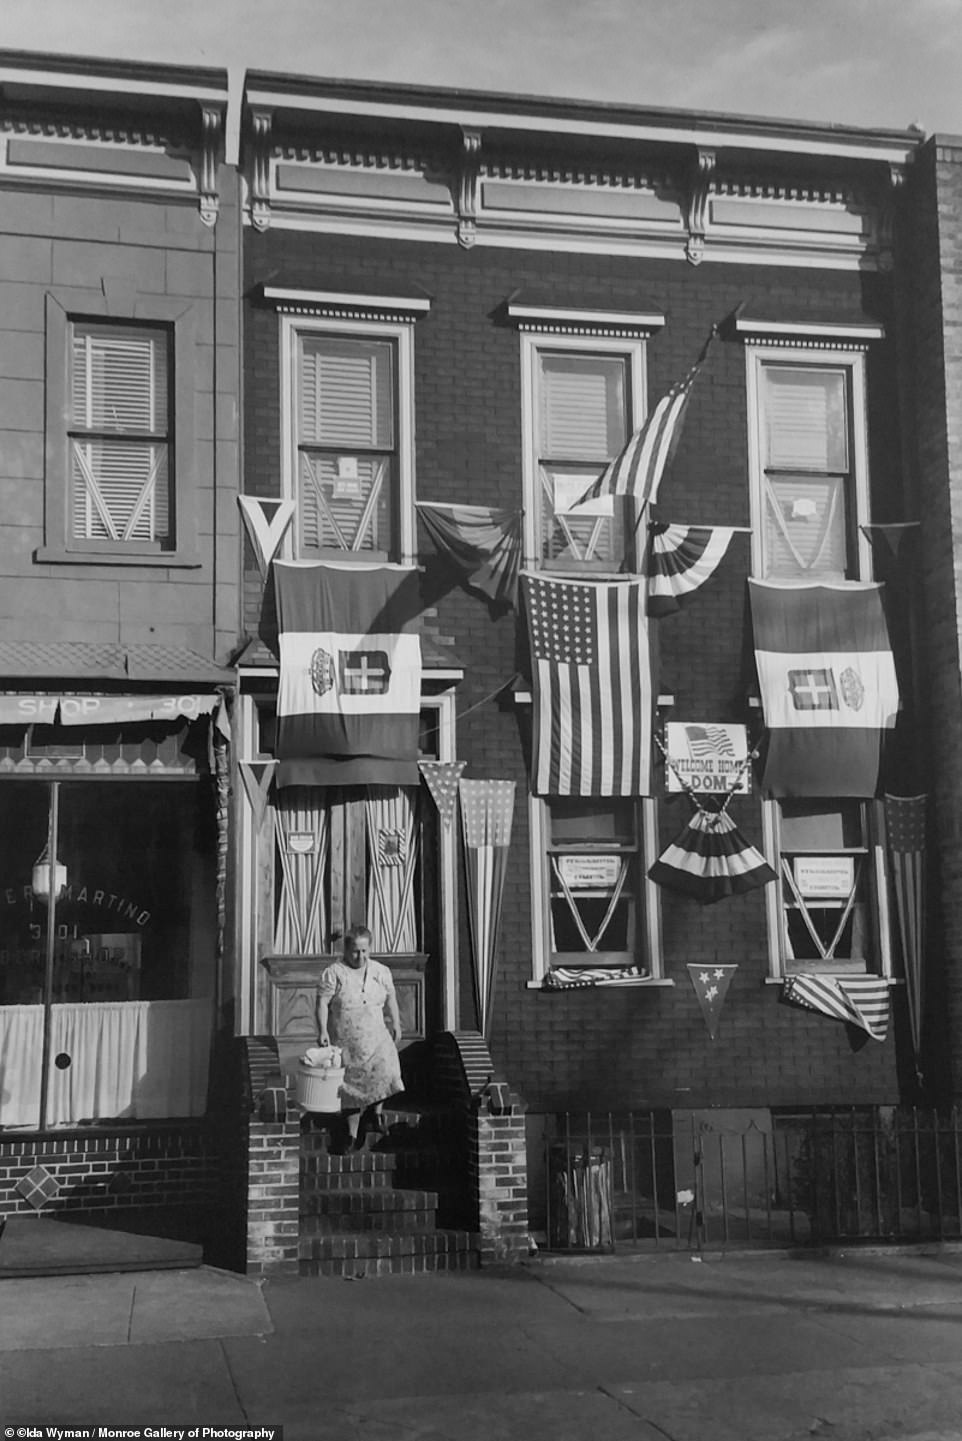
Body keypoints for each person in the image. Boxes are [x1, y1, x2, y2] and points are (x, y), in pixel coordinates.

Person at [315, 925, 403, 1148]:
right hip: (348, 1040)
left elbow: (391, 997)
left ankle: (375, 1114)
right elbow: (322, 1003)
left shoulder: (381, 971)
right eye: (355, 951)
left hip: (377, 1036)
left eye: (364, 951)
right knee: (351, 1088)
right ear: (346, 950)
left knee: (387, 1072)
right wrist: (323, 1030)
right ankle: (351, 1134)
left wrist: (396, 1023)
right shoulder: (334, 973)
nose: (360, 956)